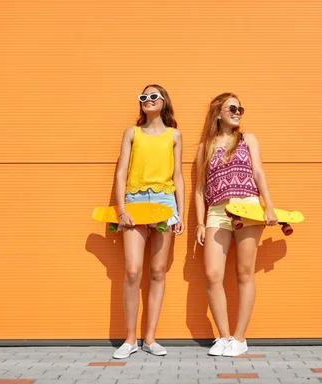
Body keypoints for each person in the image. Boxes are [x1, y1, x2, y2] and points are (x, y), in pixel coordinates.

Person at [194, 93, 278, 357]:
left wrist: (270, 205)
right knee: (212, 275)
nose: (238, 111)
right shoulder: (204, 146)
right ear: (218, 112)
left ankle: (240, 338)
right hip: (218, 212)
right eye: (232, 107)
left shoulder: (247, 139)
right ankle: (223, 336)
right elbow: (199, 188)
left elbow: (258, 173)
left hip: (249, 208)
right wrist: (199, 222)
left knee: (244, 273)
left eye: (240, 108)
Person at [112, 84, 185, 359]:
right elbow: (120, 172)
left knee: (157, 271)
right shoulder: (132, 133)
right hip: (135, 200)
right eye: (144, 97)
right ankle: (130, 339)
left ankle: (150, 338)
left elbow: (178, 175)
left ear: (164, 102)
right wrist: (121, 210)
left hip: (165, 203)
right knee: (133, 270)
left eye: (154, 96)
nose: (148, 100)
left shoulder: (174, 135)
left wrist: (179, 212)